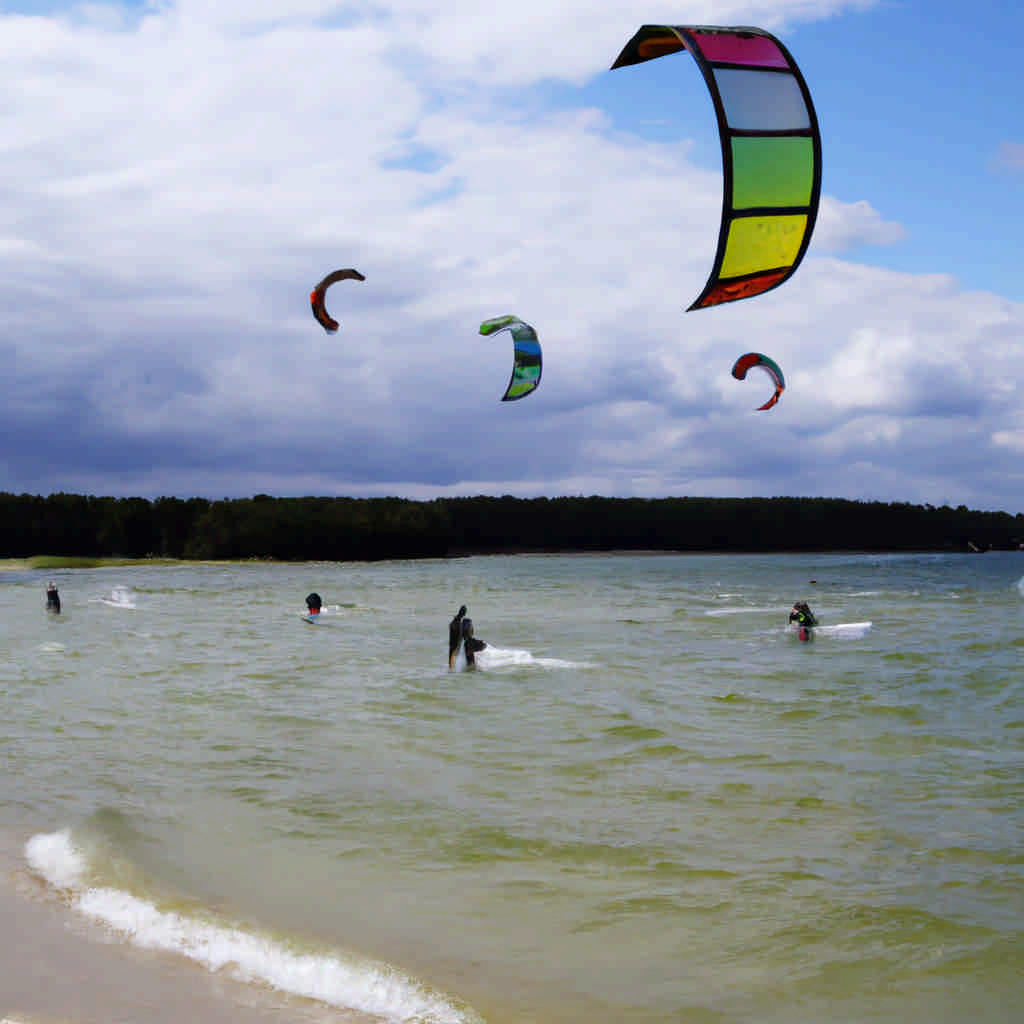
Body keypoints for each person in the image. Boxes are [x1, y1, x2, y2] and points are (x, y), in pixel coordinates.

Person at [448, 605, 467, 669]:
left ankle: (451, 668)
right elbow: (460, 632)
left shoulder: (455, 619)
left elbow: (451, 627)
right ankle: (451, 669)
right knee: (453, 655)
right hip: (455, 640)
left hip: (452, 639)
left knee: (451, 655)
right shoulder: (459, 621)